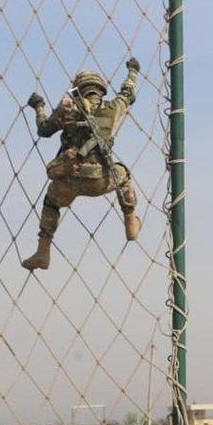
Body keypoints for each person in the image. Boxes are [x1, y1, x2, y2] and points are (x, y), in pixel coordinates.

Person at [22, 58, 141, 270]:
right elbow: (128, 93)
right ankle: (130, 220)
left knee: (51, 202)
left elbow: (44, 130)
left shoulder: (68, 109)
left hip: (69, 180)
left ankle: (43, 252)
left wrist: (39, 106)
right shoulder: (113, 108)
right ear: (101, 91)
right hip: (101, 179)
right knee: (123, 173)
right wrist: (133, 71)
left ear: (79, 89)